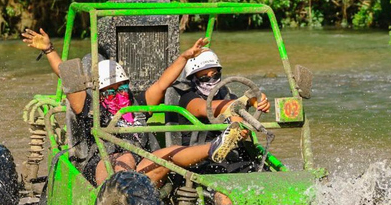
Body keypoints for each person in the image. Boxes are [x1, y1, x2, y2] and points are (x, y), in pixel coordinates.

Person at [20, 28, 243, 186]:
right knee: (124, 159)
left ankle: (216, 146)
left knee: (167, 155)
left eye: (121, 87)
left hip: (142, 163)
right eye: (111, 90)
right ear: (99, 91)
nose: (118, 94)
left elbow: (163, 83)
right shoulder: (90, 106)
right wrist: (49, 50)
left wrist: (184, 57)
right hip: (104, 162)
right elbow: (69, 78)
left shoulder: (136, 101)